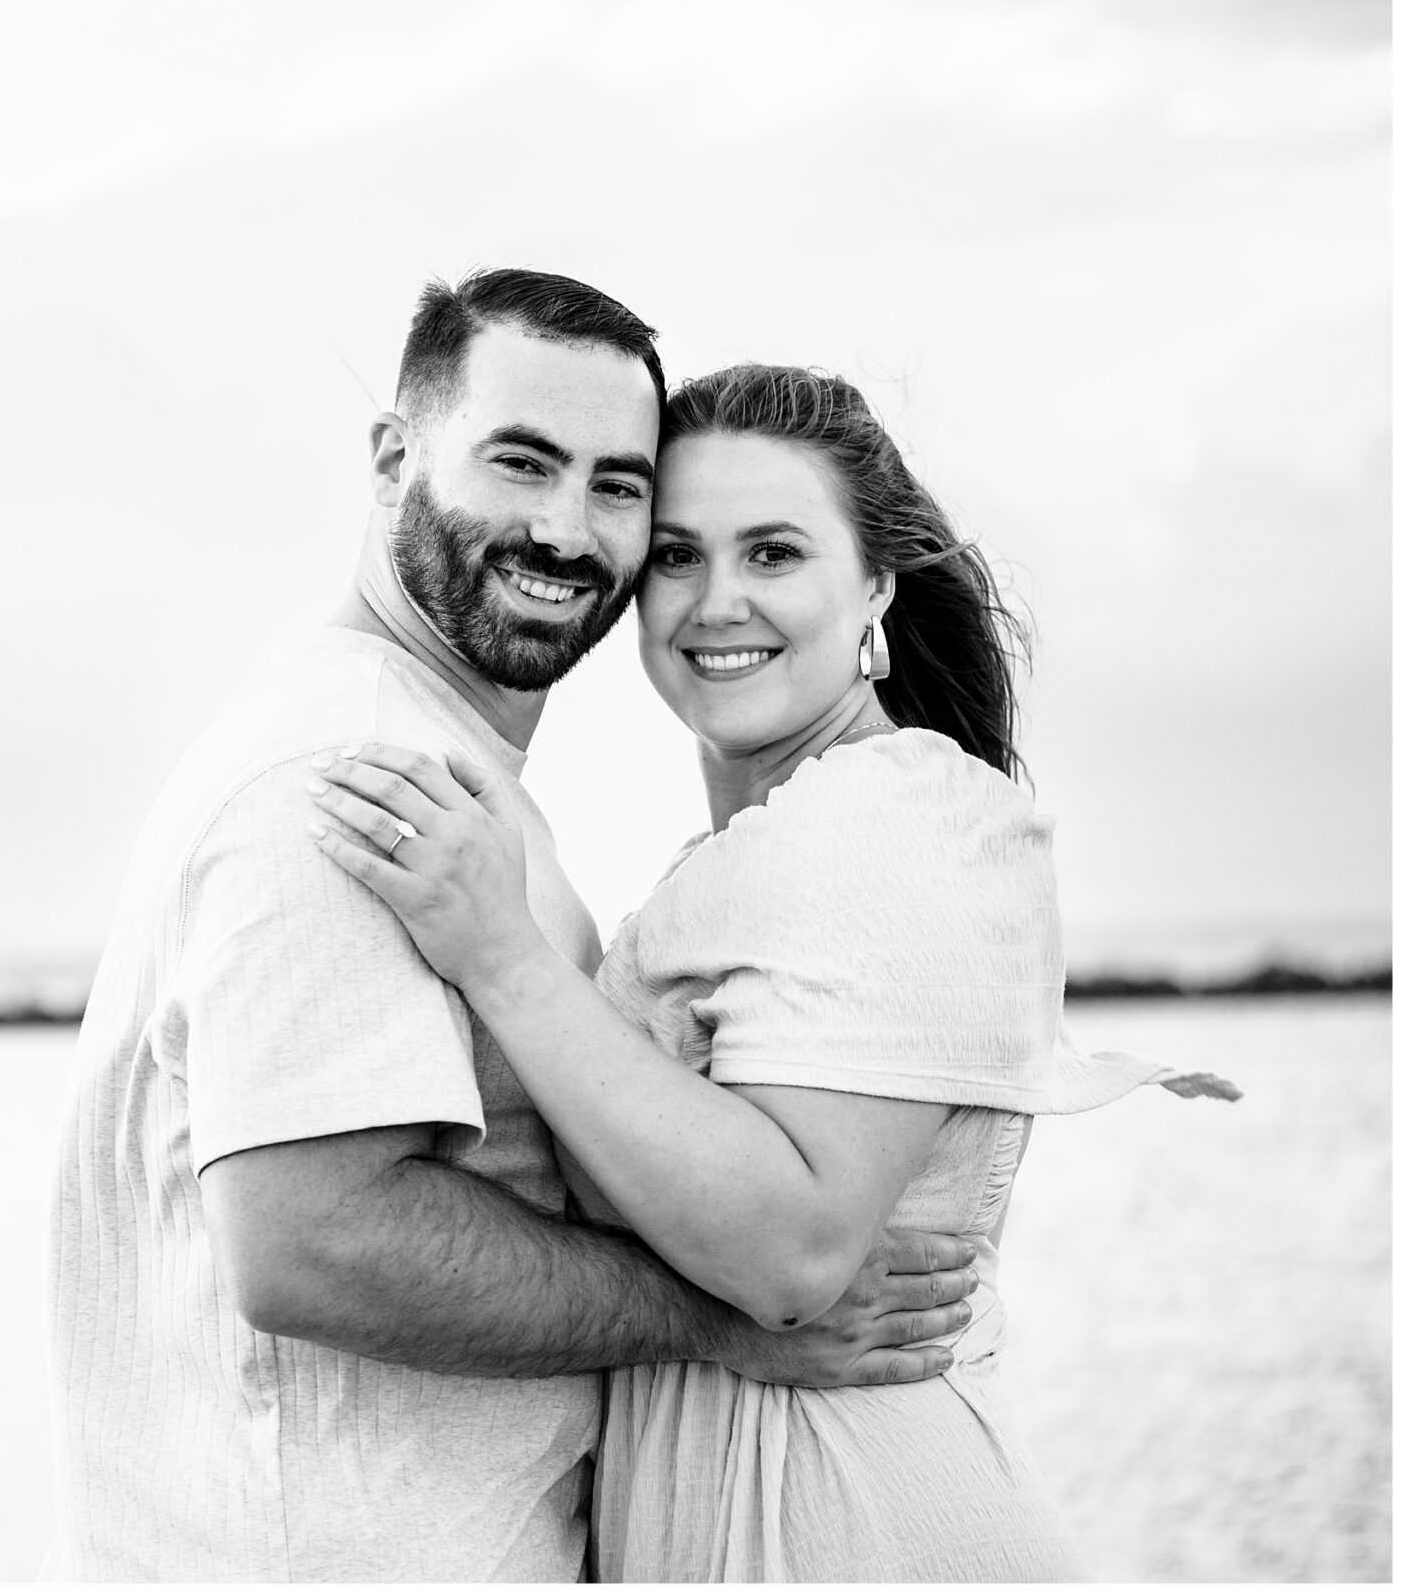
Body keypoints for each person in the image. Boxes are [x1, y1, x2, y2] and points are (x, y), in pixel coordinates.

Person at [44, 275, 990, 1584]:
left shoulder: (456, 786)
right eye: (521, 461)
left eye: (616, 486)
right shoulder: (355, 775)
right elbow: (313, 1238)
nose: (564, 527)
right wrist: (714, 1323)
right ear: (394, 456)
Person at [309, 361, 1238, 1581]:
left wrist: (500, 956)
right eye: (678, 557)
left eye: (774, 554)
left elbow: (793, 1257)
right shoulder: (747, 857)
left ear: (875, 589)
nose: (715, 603)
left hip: (856, 1525)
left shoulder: (908, 813)